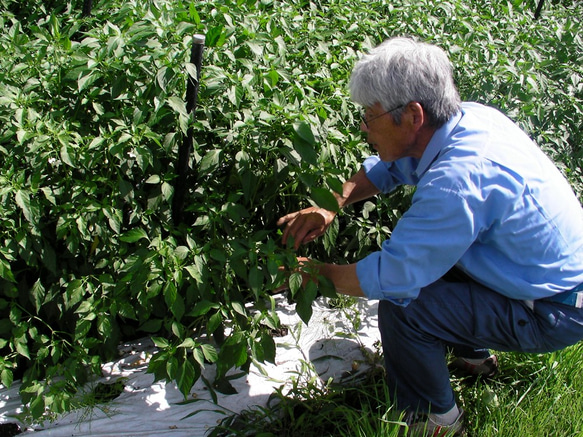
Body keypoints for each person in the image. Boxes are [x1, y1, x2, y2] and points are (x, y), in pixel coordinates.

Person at [277, 36, 583, 436]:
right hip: (541, 278)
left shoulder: (458, 182)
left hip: (552, 309)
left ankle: (434, 419)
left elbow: (394, 276)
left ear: (413, 116)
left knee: (404, 307)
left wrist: (312, 273)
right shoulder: (468, 120)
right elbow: (390, 167)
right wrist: (331, 203)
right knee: (439, 258)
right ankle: (474, 359)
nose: (365, 129)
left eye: (370, 116)